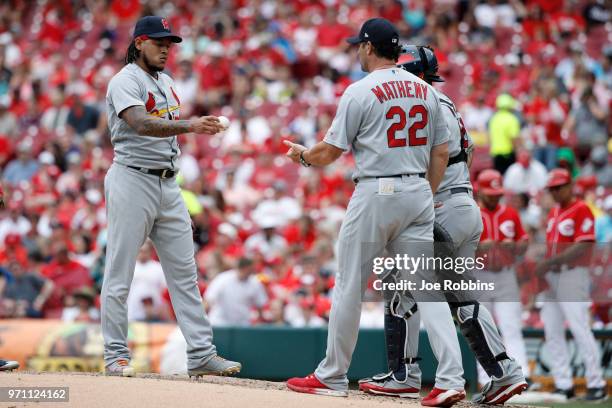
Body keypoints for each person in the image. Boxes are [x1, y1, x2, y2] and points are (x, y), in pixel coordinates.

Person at [284, 18, 467, 407]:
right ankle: (451, 378)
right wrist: (421, 193)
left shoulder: (360, 90)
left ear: (368, 47)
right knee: (428, 290)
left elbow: (330, 151)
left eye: (359, 46)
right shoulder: (425, 89)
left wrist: (302, 156)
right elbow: (440, 152)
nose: (357, 51)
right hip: (418, 188)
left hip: (376, 189)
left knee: (350, 283)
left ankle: (332, 374)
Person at [359, 45, 527, 405]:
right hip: (464, 205)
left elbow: (421, 158)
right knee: (460, 293)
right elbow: (465, 154)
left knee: (399, 281)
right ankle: (503, 371)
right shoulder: (445, 102)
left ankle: (404, 374)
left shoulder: (423, 102)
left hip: (440, 208)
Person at [102, 16, 240, 377]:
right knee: (120, 273)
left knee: (185, 273)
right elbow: (141, 123)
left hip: (168, 183)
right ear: (139, 43)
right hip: (132, 179)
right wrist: (191, 125)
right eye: (159, 42)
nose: (166, 48)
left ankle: (200, 352)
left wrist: (187, 127)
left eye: (170, 43)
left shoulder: (166, 82)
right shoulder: (124, 81)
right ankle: (115, 355)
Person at [534, 168, 607, 402]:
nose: (555, 192)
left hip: (573, 274)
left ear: (569, 186)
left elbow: (584, 245)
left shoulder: (581, 208)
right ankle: (563, 384)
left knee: (579, 329)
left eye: (559, 187)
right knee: (552, 331)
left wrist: (551, 261)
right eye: (552, 188)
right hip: (553, 278)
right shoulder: (554, 212)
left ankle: (596, 383)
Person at [474, 169, 531, 390]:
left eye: (498, 192)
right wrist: (478, 247)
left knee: (511, 327)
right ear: (480, 191)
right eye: (491, 192)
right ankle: (486, 378)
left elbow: (524, 244)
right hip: (479, 275)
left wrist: (516, 246)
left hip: (506, 275)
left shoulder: (510, 213)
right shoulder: (472, 214)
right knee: (482, 330)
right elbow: (457, 250)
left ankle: (521, 377)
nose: (495, 196)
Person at [204, 257, 268, 326]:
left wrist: (260, 321)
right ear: (242, 268)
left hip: (242, 324)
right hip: (220, 323)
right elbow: (208, 300)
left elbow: (260, 304)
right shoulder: (223, 279)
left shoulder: (254, 282)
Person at [488, 94, 521, 174]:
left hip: (495, 154)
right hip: (508, 154)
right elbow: (514, 138)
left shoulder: (493, 118)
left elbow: (490, 137)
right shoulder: (512, 119)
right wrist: (518, 153)